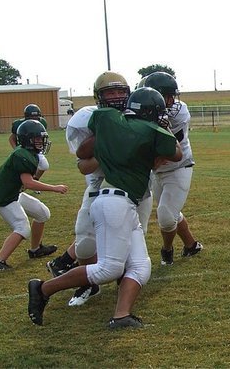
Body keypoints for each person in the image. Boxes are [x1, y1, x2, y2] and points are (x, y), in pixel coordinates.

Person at [28, 87, 182, 329]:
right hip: (115, 201)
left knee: (141, 267)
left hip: (121, 201)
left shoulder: (110, 121)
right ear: (151, 112)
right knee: (109, 268)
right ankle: (42, 288)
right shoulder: (150, 129)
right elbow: (176, 152)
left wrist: (112, 146)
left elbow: (82, 152)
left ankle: (121, 316)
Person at [47, 71, 154, 307]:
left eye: (120, 92)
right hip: (99, 186)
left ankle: (124, 287)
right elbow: (83, 166)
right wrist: (109, 139)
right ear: (99, 97)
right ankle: (89, 283)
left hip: (136, 188)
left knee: (132, 241)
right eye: (110, 92)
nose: (116, 97)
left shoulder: (140, 114)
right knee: (85, 242)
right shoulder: (87, 119)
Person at [0, 120, 67, 271]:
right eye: (36, 139)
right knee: (22, 228)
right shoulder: (22, 155)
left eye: (41, 138)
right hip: (3, 199)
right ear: (26, 139)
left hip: (14, 194)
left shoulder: (28, 153)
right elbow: (28, 183)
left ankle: (35, 249)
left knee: (43, 213)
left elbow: (28, 181)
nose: (41, 142)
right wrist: (55, 188)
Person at [142, 72, 204, 265]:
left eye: (172, 95)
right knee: (172, 212)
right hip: (157, 170)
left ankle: (166, 249)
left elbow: (169, 147)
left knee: (166, 216)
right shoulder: (142, 109)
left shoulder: (180, 112)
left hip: (178, 166)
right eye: (166, 95)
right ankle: (191, 245)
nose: (171, 100)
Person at [9, 104, 50, 187]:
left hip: (35, 149)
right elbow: (12, 138)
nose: (34, 120)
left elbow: (41, 137)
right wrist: (15, 148)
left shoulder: (42, 123)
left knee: (44, 165)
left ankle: (35, 180)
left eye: (36, 117)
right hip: (24, 149)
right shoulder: (18, 124)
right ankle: (22, 185)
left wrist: (40, 145)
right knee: (23, 169)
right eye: (32, 117)